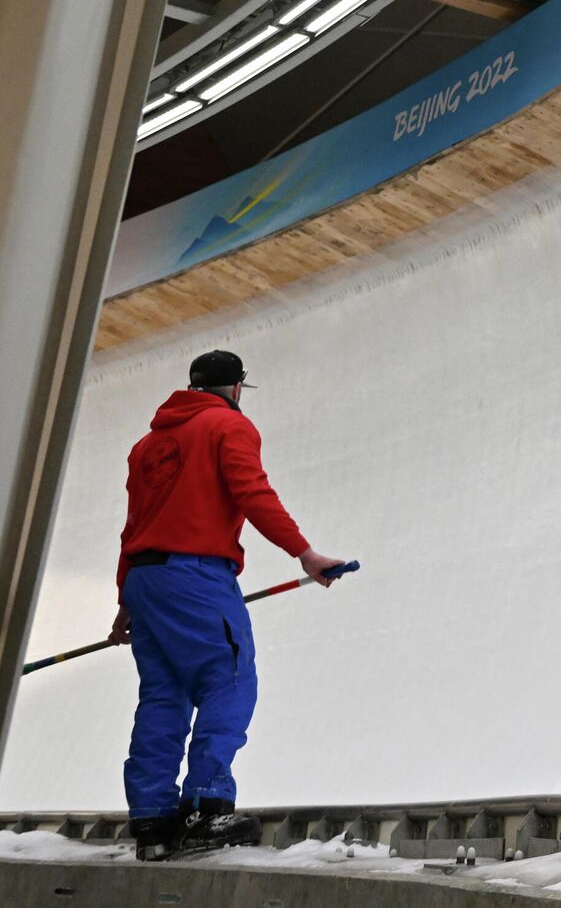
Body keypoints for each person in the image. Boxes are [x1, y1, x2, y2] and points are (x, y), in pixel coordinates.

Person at [106, 350, 344, 861]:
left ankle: (151, 819)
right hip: (196, 576)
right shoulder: (228, 427)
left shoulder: (147, 445)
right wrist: (304, 553)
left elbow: (133, 525)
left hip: (146, 581)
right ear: (236, 388)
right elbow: (252, 491)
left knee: (163, 694)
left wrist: (127, 598)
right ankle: (205, 808)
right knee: (229, 676)